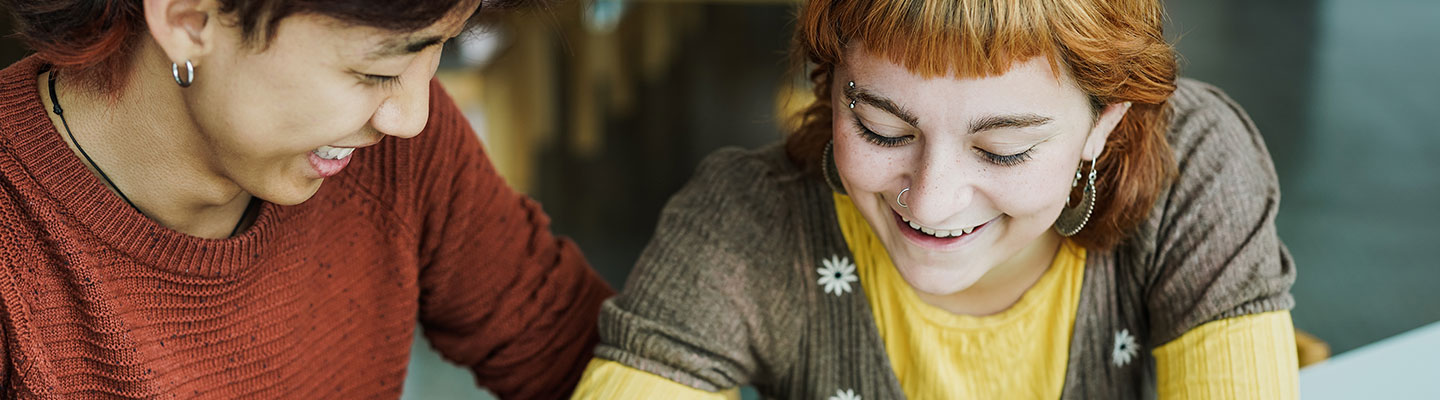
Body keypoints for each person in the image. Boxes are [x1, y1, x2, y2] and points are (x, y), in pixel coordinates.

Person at [571, 0, 1298, 398]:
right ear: (829, 85)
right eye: (882, 128)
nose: (933, 200)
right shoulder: (747, 222)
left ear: (1102, 123)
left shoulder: (1193, 165)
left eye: (1003, 149)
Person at [0, 0, 612, 398]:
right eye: (373, 72)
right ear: (190, 20)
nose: (413, 117)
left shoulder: (393, 155)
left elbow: (570, 353)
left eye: (440, 50)